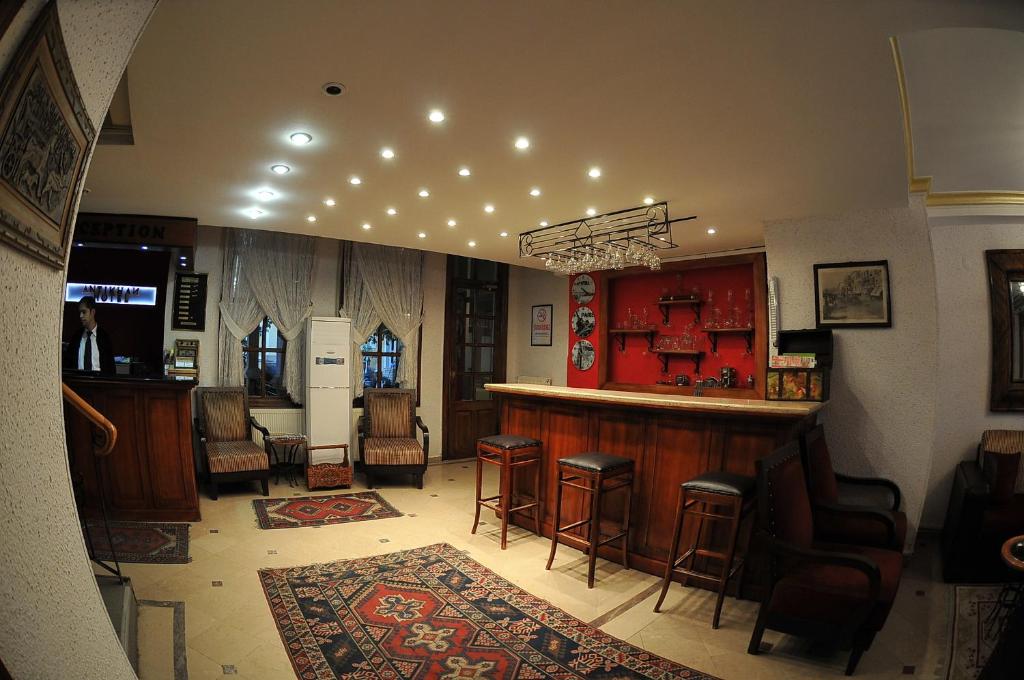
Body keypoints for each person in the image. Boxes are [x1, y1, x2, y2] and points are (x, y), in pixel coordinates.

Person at [63, 296, 115, 374]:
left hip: (99, 383)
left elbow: (111, 367)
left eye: (84, 312)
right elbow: (68, 365)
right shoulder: (76, 337)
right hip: (78, 382)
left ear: (92, 312)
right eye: (80, 312)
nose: (80, 316)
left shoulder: (104, 337)